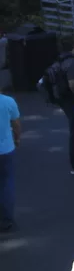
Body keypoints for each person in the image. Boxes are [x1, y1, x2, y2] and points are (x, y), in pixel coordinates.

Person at [45, 33, 74, 175]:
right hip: (71, 99)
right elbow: (73, 83)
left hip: (63, 98)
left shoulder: (60, 59)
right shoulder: (73, 62)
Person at [0, 81, 20, 233]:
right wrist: (17, 138)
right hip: (6, 148)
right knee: (7, 183)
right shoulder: (8, 101)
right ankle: (6, 219)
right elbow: (16, 123)